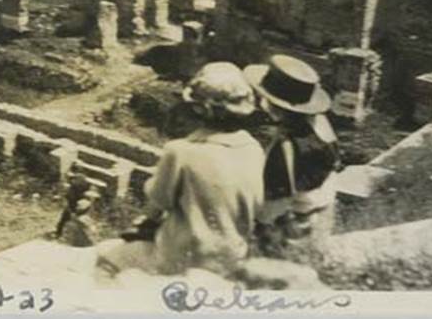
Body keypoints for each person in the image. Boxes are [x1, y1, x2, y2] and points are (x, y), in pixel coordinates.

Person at [96, 62, 265, 277]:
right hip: (232, 257)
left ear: (197, 109)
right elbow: (257, 206)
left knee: (107, 261)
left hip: (183, 257)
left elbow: (157, 204)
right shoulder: (254, 150)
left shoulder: (180, 151)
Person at [244, 54, 342, 266]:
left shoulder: (286, 146)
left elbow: (273, 205)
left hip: (293, 228)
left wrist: (253, 221)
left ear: (274, 105)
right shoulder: (321, 124)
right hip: (323, 214)